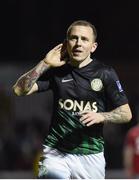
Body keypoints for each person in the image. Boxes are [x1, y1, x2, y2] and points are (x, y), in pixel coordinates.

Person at [13, 20, 132, 179]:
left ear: (93, 46)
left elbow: (126, 113)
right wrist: (45, 63)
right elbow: (19, 90)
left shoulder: (105, 73)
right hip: (55, 152)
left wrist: (101, 116)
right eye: (74, 38)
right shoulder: (56, 71)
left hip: (91, 155)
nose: (78, 43)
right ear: (66, 42)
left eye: (84, 39)